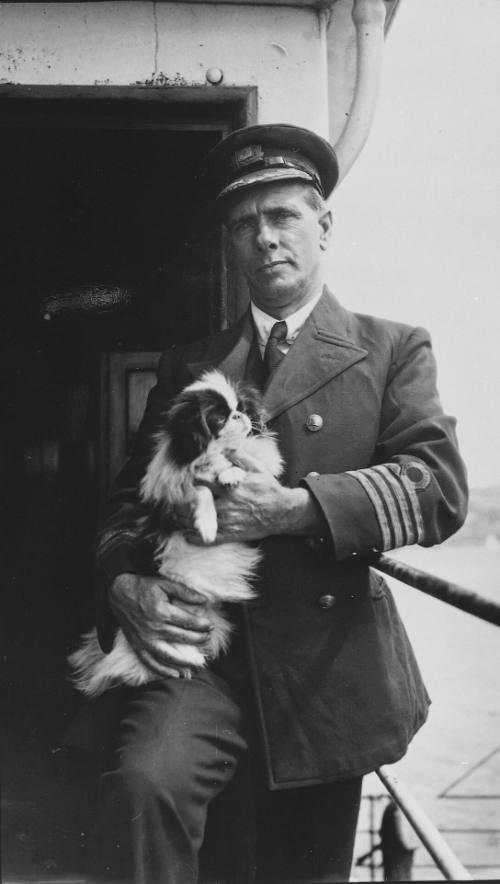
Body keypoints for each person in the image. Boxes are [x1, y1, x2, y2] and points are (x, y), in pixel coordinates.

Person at [82, 124, 468, 883]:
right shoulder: (190, 367)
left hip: (327, 672)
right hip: (205, 656)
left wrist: (295, 509)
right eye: (244, 225)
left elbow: (438, 486)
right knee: (145, 784)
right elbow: (127, 510)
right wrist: (122, 584)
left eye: (283, 216)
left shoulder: (392, 349)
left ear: (323, 226)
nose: (265, 239)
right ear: (229, 243)